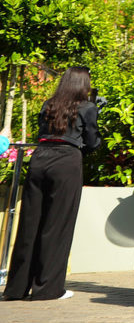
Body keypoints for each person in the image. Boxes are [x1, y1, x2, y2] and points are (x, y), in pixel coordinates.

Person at [3, 67, 101, 301]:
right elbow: (93, 142)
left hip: (40, 158)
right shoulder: (87, 107)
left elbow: (41, 131)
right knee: (57, 225)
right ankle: (47, 288)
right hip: (66, 162)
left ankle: (16, 288)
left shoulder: (49, 104)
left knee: (30, 224)